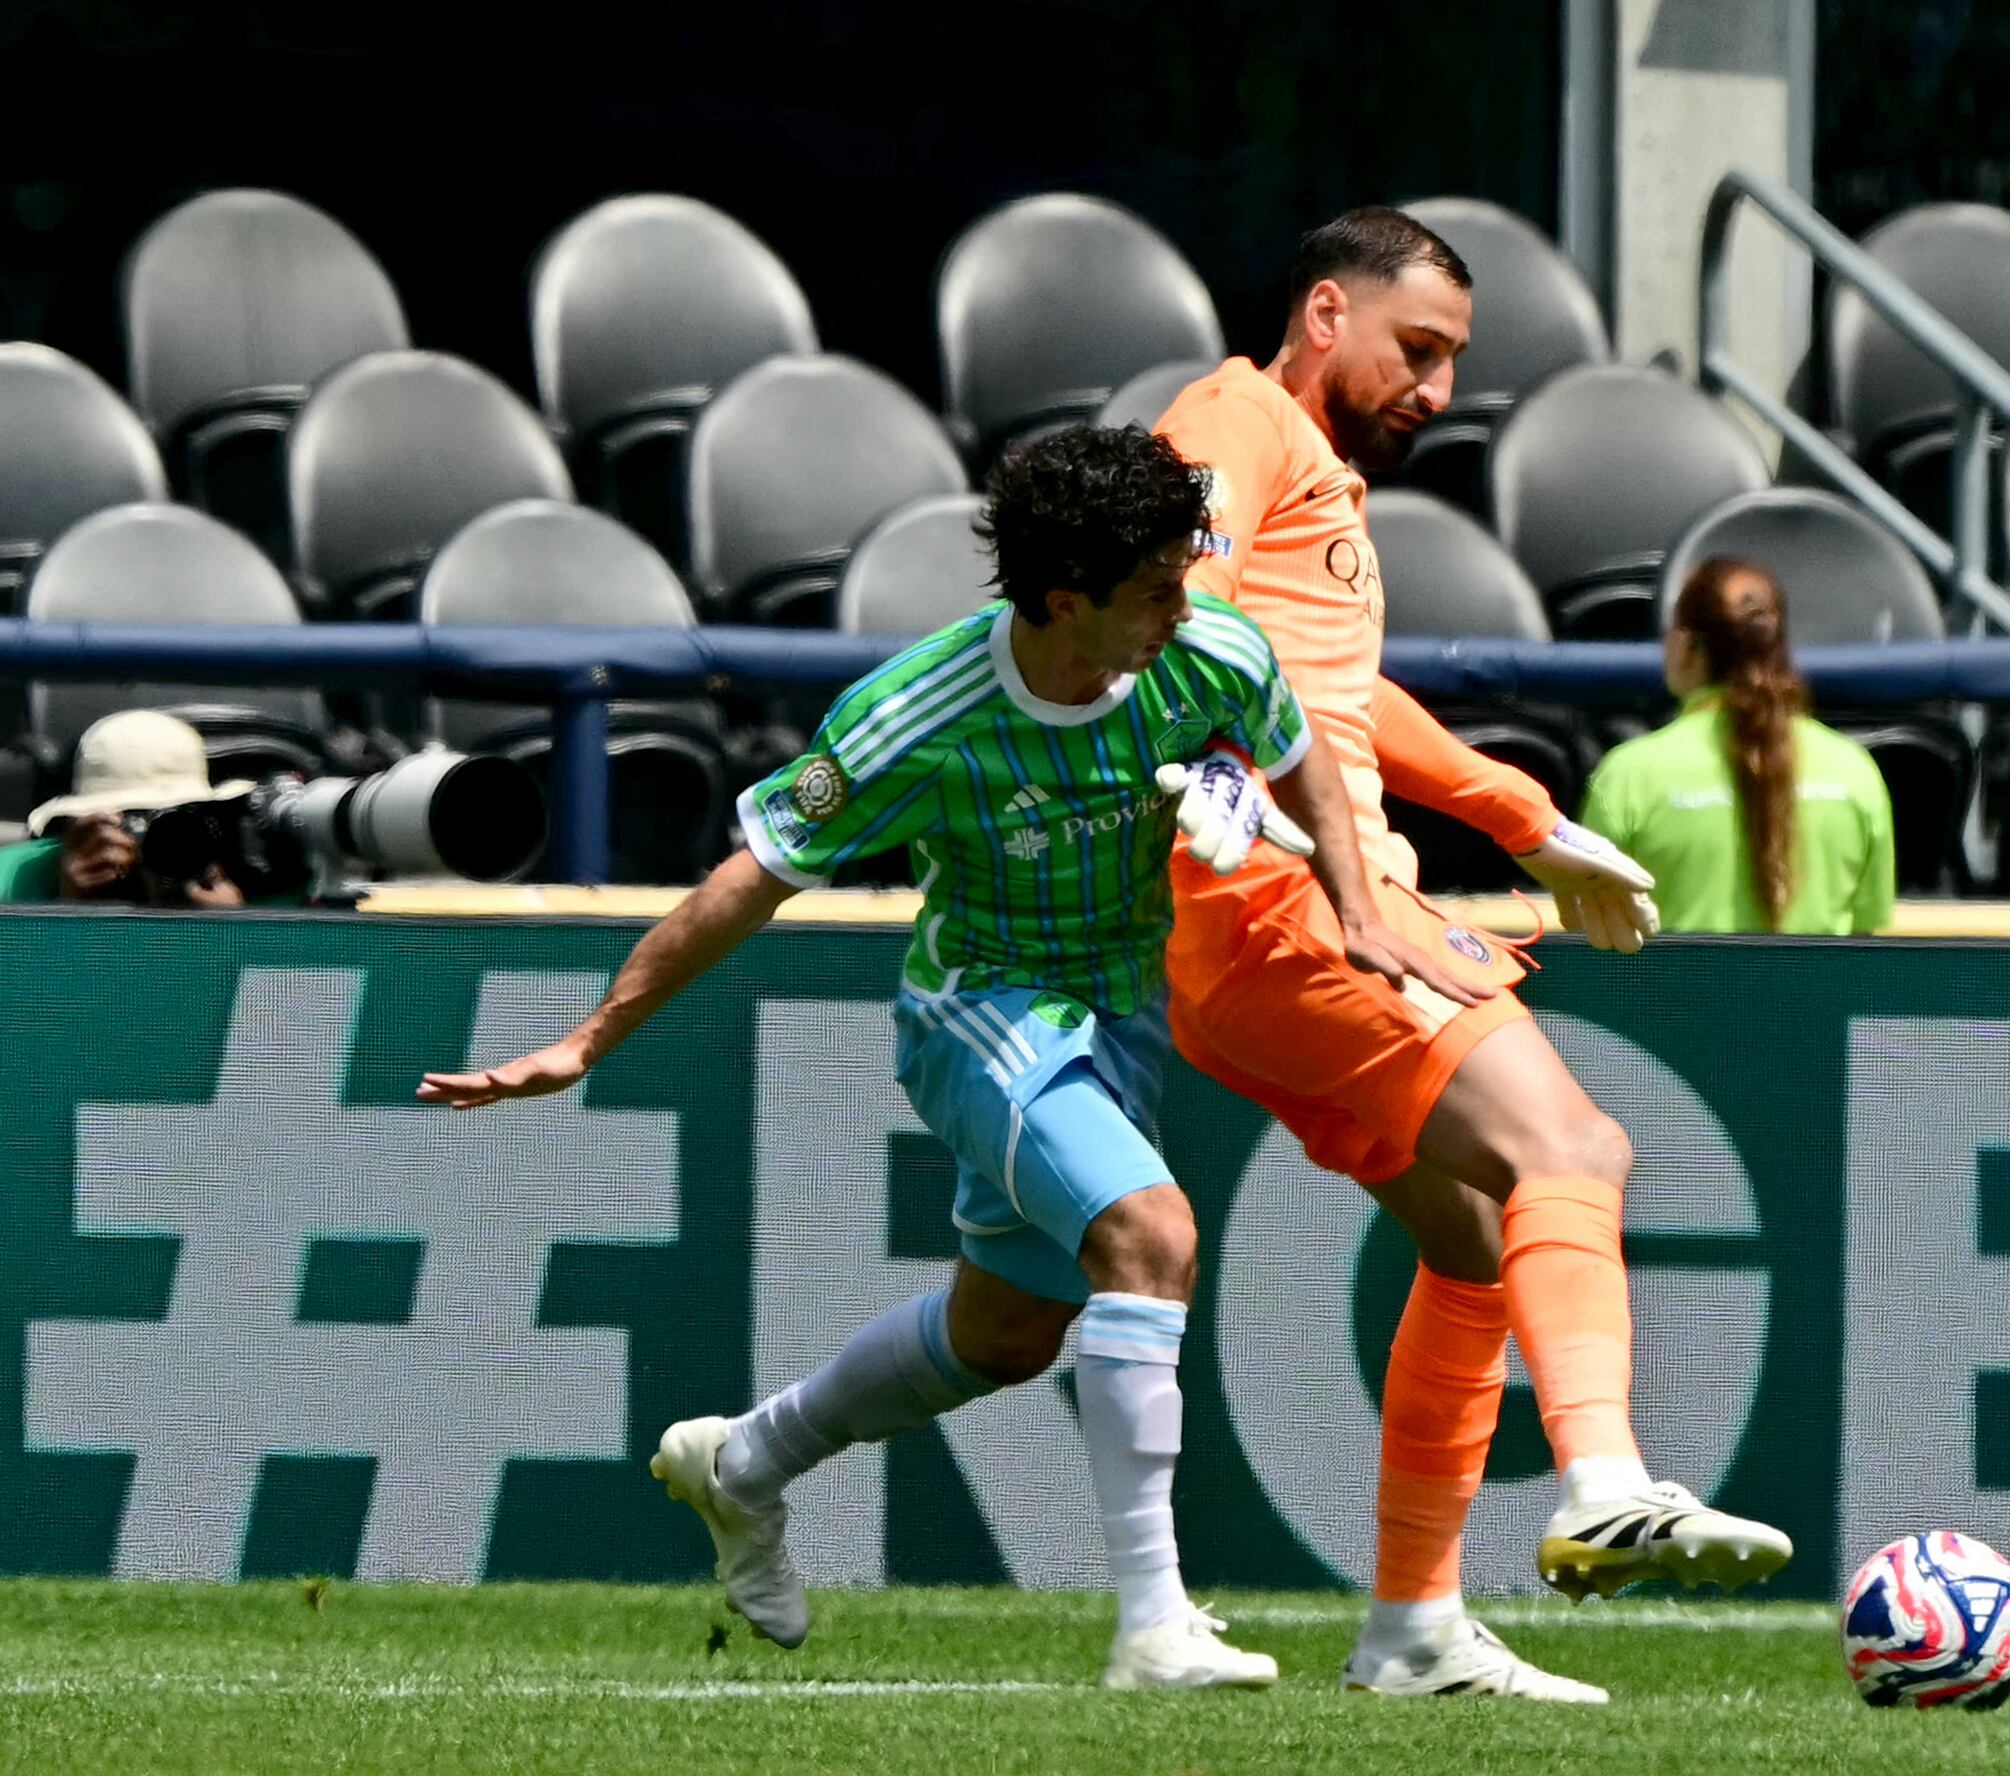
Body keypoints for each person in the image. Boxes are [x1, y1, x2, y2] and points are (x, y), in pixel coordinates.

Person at [417, 425, 1478, 1691]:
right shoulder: (912, 719)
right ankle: (1154, 1624)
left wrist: (1351, 903)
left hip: (1118, 1017)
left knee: (1009, 1332)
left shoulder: (1208, 652)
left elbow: (1295, 755)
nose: (1181, 609)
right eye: (1153, 590)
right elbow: (746, 886)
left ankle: (744, 1462)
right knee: (1153, 1237)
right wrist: (590, 1041)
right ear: (1064, 599)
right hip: (983, 1009)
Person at [1154, 209, 1791, 1705]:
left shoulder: (1320, 477)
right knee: (1574, 1145)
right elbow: (1186, 607)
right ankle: (1603, 1478)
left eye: (1453, 361)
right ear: (1325, 310)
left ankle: (1415, 1628)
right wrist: (1243, 790)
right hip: (1296, 910)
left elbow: (1349, 701)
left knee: (1474, 1240)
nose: (1438, 388)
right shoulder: (1232, 420)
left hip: (1262, 933)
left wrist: (1532, 824)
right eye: (1417, 350)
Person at [1581, 558, 1896, 936]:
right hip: (1818, 996)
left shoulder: (1626, 776)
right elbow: (1868, 930)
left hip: (1667, 996)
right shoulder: (1855, 772)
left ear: (1683, 646)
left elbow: (1593, 932)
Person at [0, 710, 250, 906]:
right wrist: (69, 912)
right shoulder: (13, 879)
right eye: (134, 819)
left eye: (179, 820)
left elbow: (282, 969)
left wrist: (232, 932)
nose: (165, 840)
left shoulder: (251, 871)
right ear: (84, 823)